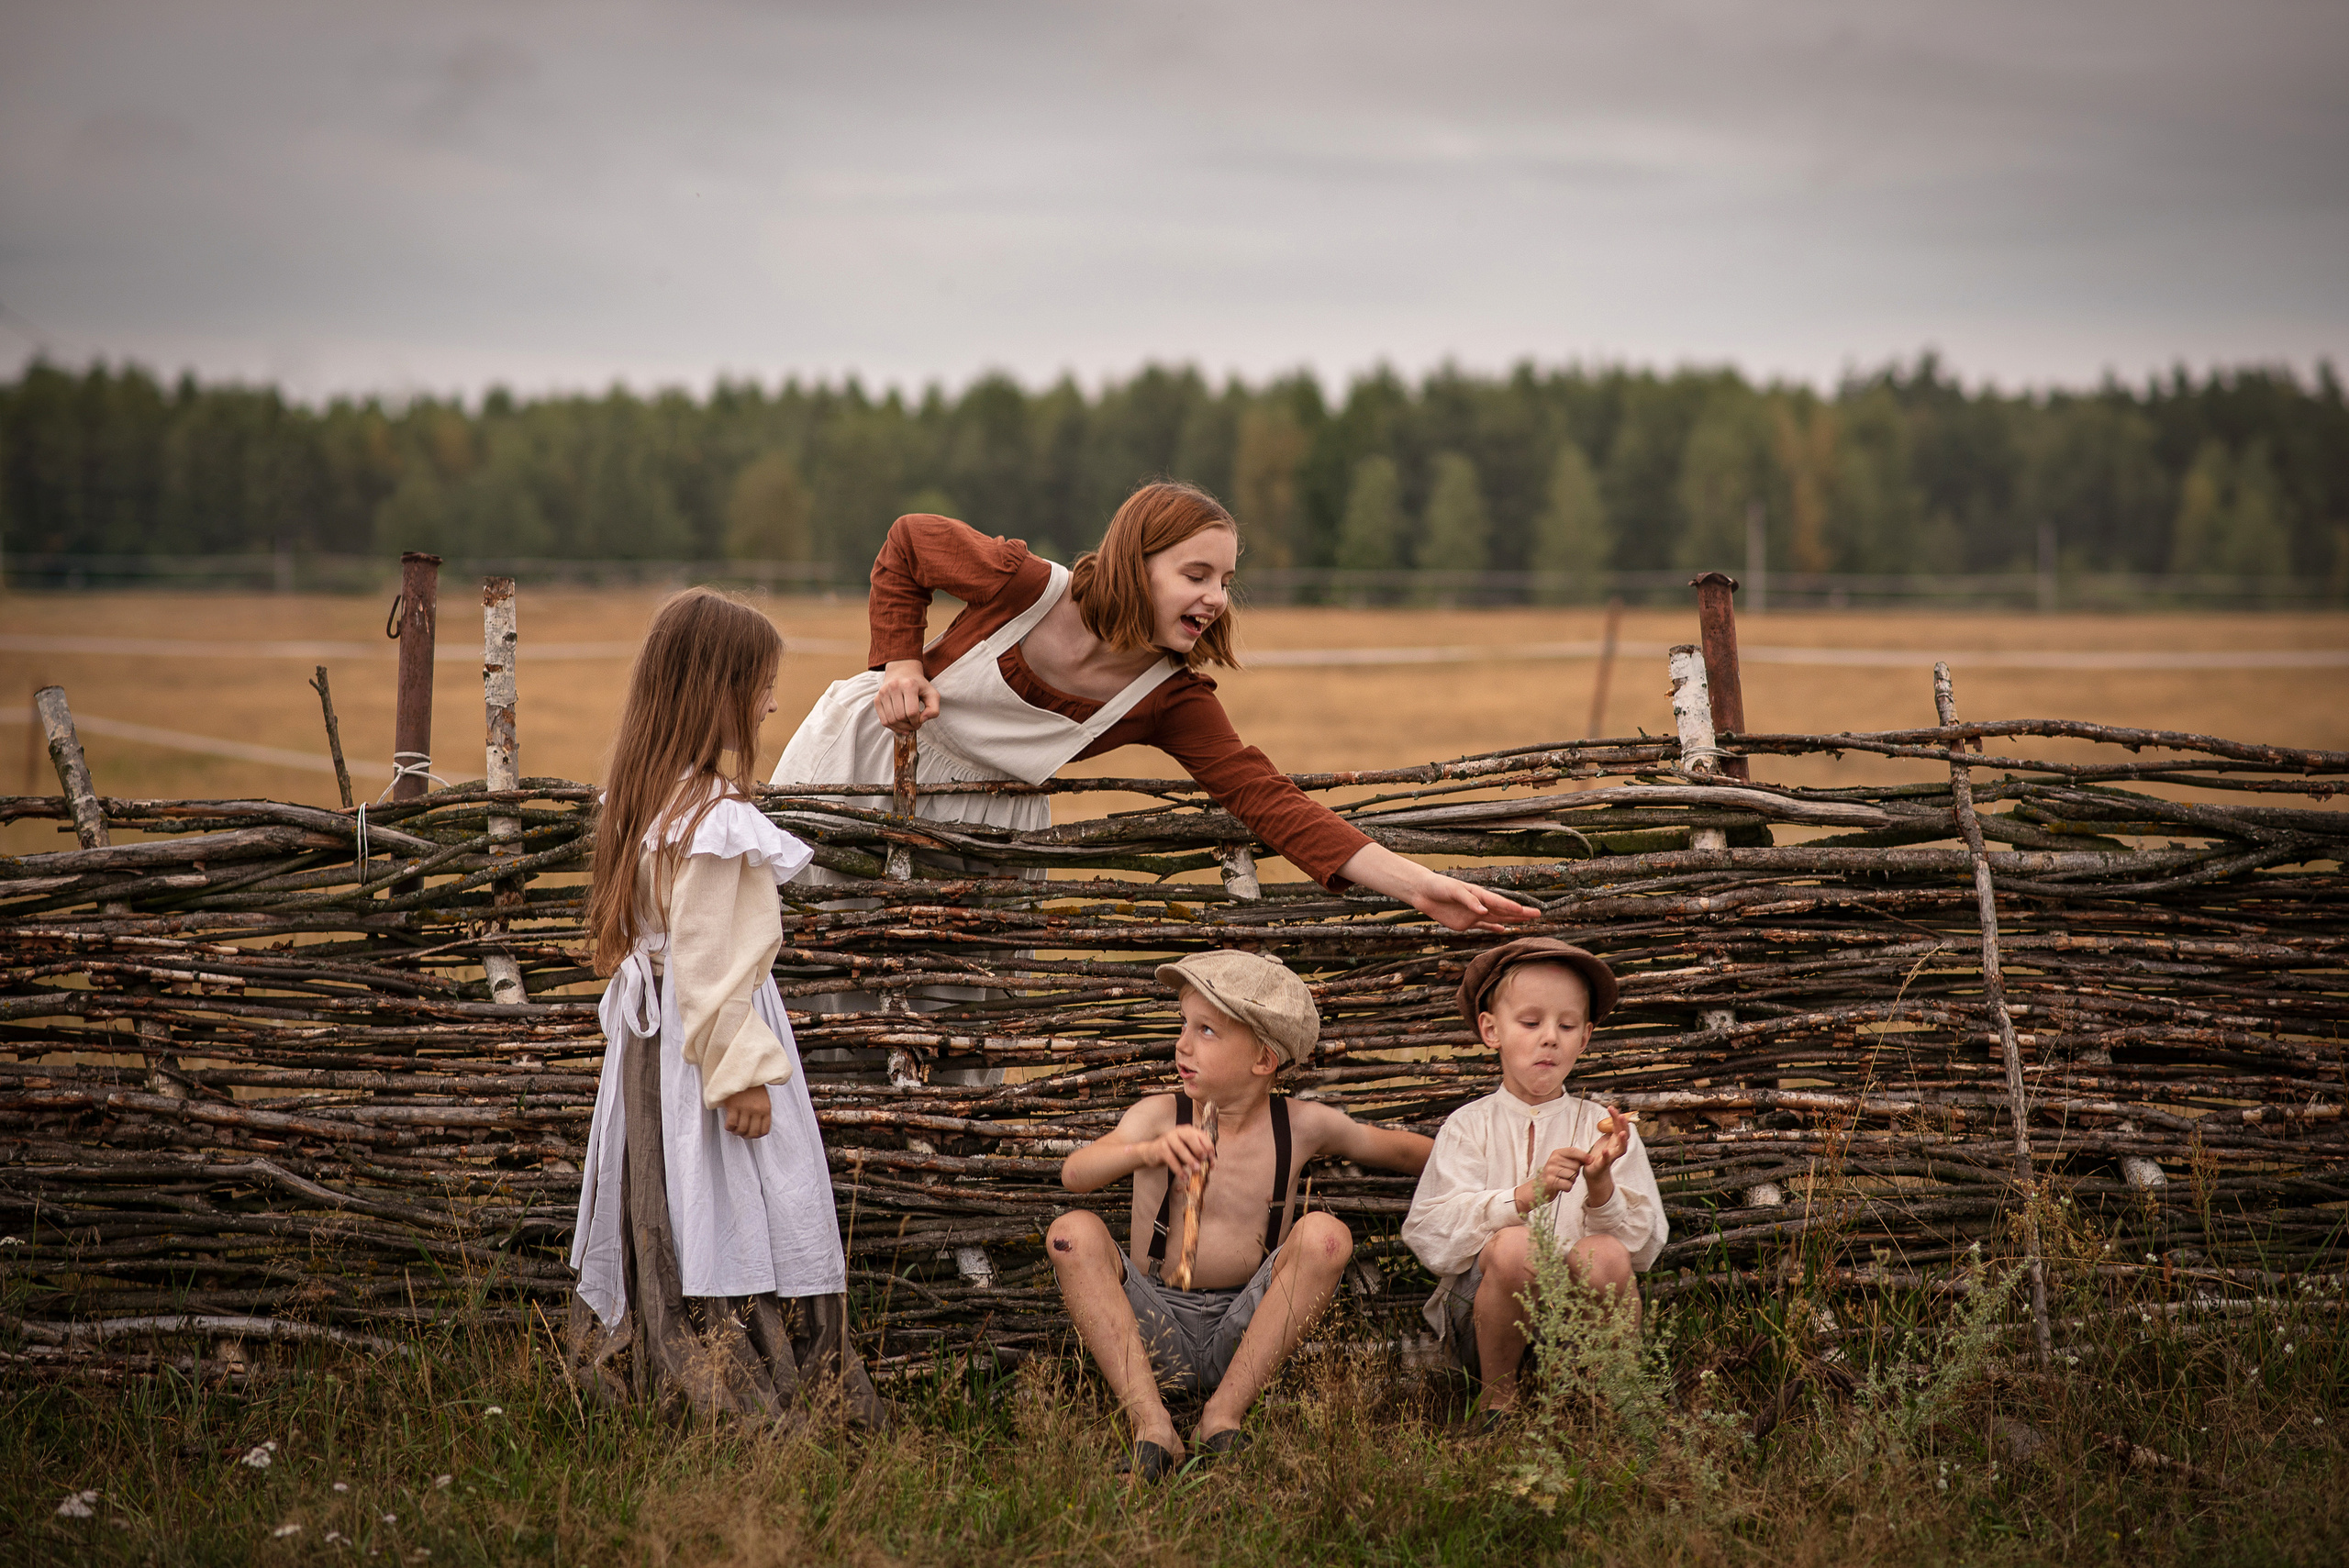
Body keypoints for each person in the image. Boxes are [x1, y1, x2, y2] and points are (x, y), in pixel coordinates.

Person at [769, 482, 1540, 928]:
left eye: (1226, 581)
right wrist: (901, 662)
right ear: (1137, 558)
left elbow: (1265, 798)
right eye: (1196, 573)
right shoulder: (1026, 587)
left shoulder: (1168, 699)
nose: (1215, 597)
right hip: (866, 768)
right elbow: (909, 544)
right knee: (798, 940)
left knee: (937, 1010)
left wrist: (1417, 883)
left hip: (981, 830)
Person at [568, 587, 881, 1426]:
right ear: (718, 691)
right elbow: (710, 962)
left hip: (659, 1044)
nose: (775, 701)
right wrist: (740, 1072)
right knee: (739, 1202)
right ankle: (743, 1383)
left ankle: (668, 1374)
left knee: (670, 1195)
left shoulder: (649, 797)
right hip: (711, 1043)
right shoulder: (715, 819)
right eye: (764, 683)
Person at [1044, 949, 1434, 1479]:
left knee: (1325, 1237)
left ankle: (1222, 1416)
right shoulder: (1161, 1116)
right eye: (1184, 1024)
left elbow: (1397, 1149)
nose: (1182, 1043)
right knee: (1071, 1234)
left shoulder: (1302, 1126)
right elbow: (1076, 1174)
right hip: (1149, 1323)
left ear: (1263, 1061)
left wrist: (1489, 1165)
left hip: (1247, 1331)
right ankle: (1152, 1423)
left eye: (1206, 1030)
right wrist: (1146, 1153)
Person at [1400, 937, 1666, 1426]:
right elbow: (1429, 1235)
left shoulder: (1603, 1129)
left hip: (1576, 1325)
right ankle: (1497, 1402)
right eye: (1530, 1022)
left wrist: (1602, 1186)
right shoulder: (1468, 1126)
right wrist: (1521, 1198)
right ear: (1491, 1029)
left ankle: (1611, 1400)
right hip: (1482, 1329)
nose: (1550, 1037)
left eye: (1566, 1026)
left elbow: (1643, 1250)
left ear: (1584, 1038)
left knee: (1604, 1253)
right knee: (1518, 1247)